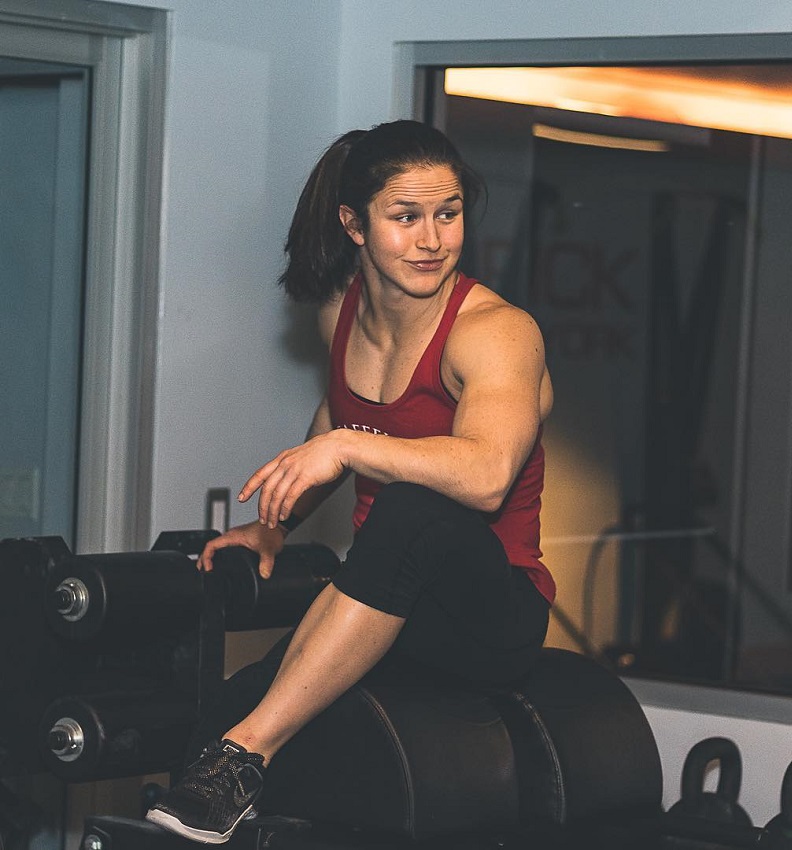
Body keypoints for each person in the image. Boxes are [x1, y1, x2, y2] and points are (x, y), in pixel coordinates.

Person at [146, 120, 555, 844]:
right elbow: (338, 419)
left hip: (490, 616)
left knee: (410, 508)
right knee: (229, 709)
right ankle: (228, 758)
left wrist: (348, 446)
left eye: (448, 213)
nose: (431, 238)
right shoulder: (344, 315)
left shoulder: (494, 331)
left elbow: (488, 476)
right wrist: (274, 525)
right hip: (384, 606)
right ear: (354, 224)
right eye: (405, 217)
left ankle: (248, 758)